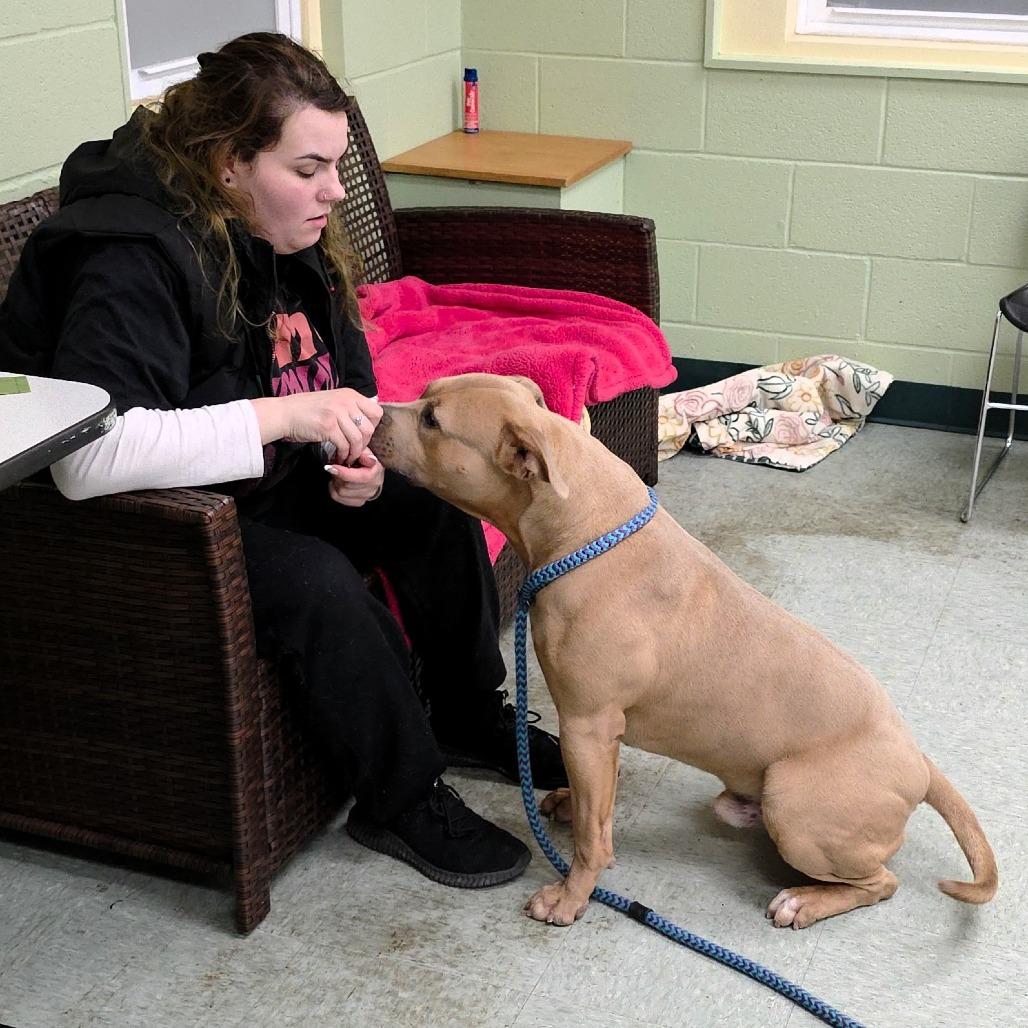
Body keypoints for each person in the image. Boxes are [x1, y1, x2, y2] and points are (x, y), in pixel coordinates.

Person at [0, 32, 567, 889]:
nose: (334, 192)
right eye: (308, 170)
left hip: (269, 479)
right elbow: (87, 459)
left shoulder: (288, 231)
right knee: (316, 583)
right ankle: (402, 800)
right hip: (163, 526)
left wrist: (367, 457)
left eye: (336, 166)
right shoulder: (130, 253)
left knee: (436, 510)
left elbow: (349, 374)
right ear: (229, 162)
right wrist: (284, 414)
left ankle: (464, 716)